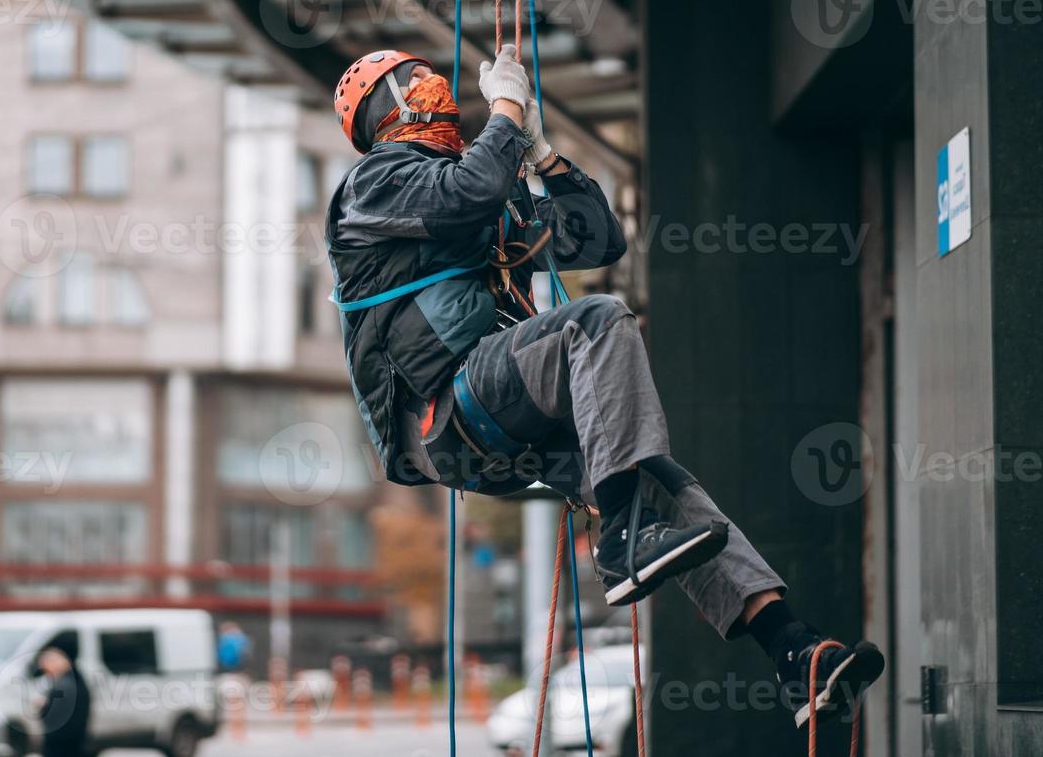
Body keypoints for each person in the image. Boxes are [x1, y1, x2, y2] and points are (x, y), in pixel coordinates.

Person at [323, 46, 885, 727]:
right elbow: (467, 194)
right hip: (447, 407)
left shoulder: (471, 184)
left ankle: (795, 655)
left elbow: (596, 243)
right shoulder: (375, 183)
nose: (431, 82)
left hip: (489, 413)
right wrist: (505, 111)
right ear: (386, 108)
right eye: (411, 79)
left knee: (666, 488)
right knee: (596, 323)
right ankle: (621, 539)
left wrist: (543, 157)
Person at [35, 648, 91, 757]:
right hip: (75, 739)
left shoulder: (63, 685)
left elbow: (53, 718)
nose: (46, 674)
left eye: (46, 669)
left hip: (60, 745)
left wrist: (43, 706)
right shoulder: (77, 680)